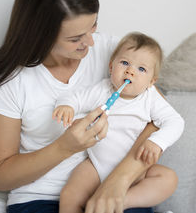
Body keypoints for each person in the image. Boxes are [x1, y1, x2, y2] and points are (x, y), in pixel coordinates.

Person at [0, 0, 164, 213]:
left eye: (93, 26)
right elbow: (1, 174)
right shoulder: (12, 80)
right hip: (38, 198)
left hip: (110, 189)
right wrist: (65, 147)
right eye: (75, 38)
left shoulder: (118, 55)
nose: (89, 42)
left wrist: (119, 180)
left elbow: (158, 117)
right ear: (41, 34)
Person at [53, 32, 184, 213]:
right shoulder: (102, 89)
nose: (130, 71)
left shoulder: (150, 97)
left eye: (141, 69)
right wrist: (67, 106)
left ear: (151, 82)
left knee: (168, 178)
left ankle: (122, 202)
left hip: (135, 170)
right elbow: (74, 97)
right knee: (69, 195)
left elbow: (176, 122)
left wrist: (156, 142)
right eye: (124, 63)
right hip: (95, 167)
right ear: (111, 66)